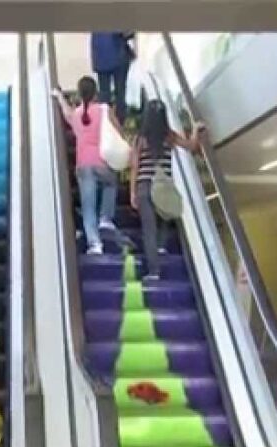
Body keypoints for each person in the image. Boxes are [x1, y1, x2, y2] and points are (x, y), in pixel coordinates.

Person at [129, 99, 203, 281]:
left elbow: (134, 167)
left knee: (149, 229)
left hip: (145, 186)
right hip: (163, 186)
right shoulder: (169, 136)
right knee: (165, 214)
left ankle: (154, 271)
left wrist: (132, 191)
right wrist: (195, 130)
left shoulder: (140, 139)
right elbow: (192, 147)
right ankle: (161, 246)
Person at [54, 76, 125, 255]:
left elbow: (66, 113)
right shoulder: (104, 110)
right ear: (95, 93)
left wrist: (59, 96)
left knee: (88, 205)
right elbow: (118, 131)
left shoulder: (77, 114)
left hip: (84, 164)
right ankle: (106, 218)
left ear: (79, 94)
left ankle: (95, 244)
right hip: (103, 161)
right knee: (111, 183)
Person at [90, 32, 134, 122]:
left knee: (104, 93)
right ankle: (119, 123)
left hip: (100, 54)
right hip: (118, 54)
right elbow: (125, 32)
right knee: (120, 92)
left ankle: (104, 122)